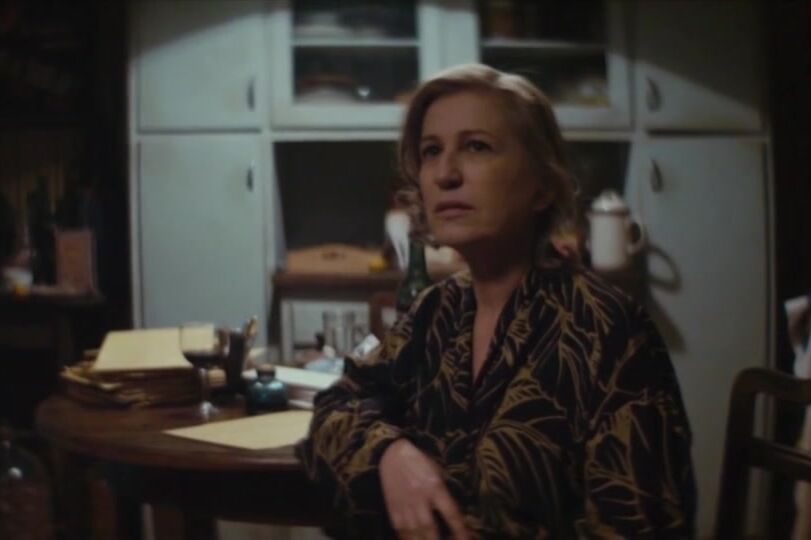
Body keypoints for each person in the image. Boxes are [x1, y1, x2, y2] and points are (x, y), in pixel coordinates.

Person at [296, 64, 696, 539]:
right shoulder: (435, 313)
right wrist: (390, 454)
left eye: (477, 147)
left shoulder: (608, 331)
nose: (445, 174)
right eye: (431, 151)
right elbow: (337, 405)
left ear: (542, 186)